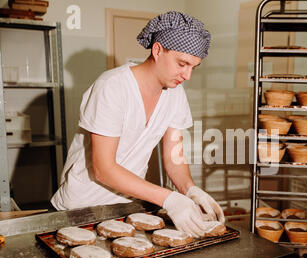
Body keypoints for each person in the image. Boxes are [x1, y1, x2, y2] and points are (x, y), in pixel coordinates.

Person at [51, 11, 224, 238]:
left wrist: (189, 189)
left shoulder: (175, 94)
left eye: (194, 66)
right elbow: (103, 169)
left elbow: (174, 158)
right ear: (158, 50)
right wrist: (168, 198)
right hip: (79, 211)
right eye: (182, 64)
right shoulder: (112, 87)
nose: (188, 75)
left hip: (127, 210)